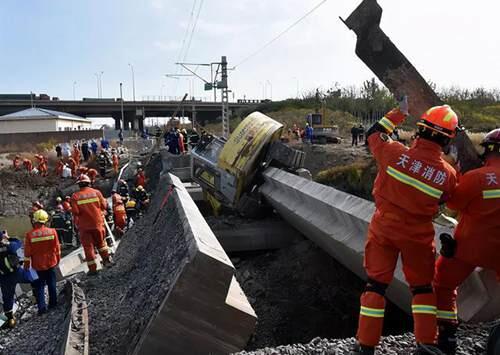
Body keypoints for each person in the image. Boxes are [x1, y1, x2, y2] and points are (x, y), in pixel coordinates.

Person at [350, 99, 459, 355]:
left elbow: (374, 134)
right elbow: (445, 199)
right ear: (447, 141)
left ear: (419, 129)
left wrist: (400, 112)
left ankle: (366, 345)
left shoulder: (393, 153)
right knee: (422, 289)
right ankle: (426, 343)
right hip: (418, 237)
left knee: (375, 286)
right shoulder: (447, 174)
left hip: (384, 229)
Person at [433, 128, 500, 354]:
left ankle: (447, 335)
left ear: (488, 150)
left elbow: (453, 204)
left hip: (469, 248)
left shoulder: (476, 178)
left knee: (443, 284)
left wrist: (455, 170)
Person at [70, 174, 112, 274]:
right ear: (89, 183)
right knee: (101, 243)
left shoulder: (75, 196)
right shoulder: (97, 192)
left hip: (84, 227)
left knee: (88, 247)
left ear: (79, 185)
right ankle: (107, 261)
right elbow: (104, 205)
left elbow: (76, 212)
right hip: (98, 223)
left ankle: (93, 269)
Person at [24, 209, 60, 314]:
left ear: (35, 221)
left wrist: (26, 266)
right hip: (51, 262)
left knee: (39, 287)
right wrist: (57, 260)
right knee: (52, 283)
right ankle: (53, 304)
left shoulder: (29, 235)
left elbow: (27, 254)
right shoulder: (53, 231)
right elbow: (57, 249)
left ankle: (42, 308)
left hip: (37, 265)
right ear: (45, 220)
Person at [0, 230, 23, 329]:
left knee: (7, 297)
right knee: (35, 278)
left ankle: (10, 319)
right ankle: (38, 300)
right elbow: (18, 244)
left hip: (3, 276)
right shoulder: (9, 245)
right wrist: (9, 237)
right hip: (15, 272)